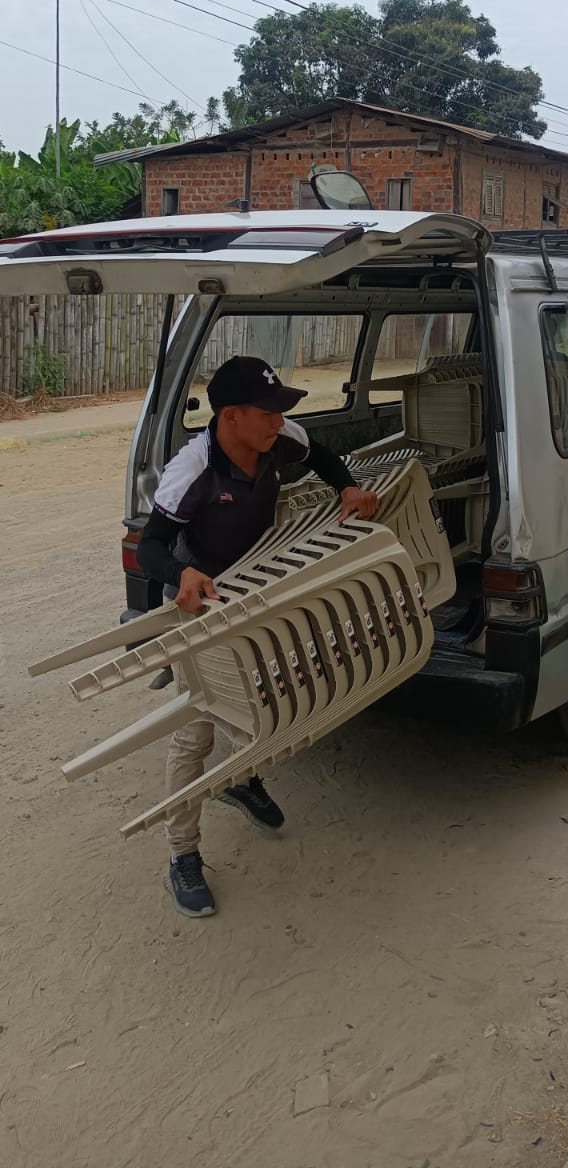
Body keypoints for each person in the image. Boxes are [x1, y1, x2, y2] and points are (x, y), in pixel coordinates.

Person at [137, 354, 378, 918]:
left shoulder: (278, 439)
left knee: (266, 704)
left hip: (258, 594)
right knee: (194, 732)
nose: (279, 421)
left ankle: (239, 780)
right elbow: (150, 546)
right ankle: (182, 854)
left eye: (280, 411)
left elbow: (322, 455)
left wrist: (347, 488)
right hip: (202, 608)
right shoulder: (193, 469)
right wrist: (182, 574)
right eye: (267, 412)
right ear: (231, 417)